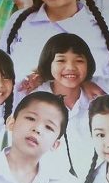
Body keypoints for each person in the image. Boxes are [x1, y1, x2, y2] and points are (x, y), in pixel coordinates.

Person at [0, 91, 93, 183]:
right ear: (11, 122)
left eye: (49, 127)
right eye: (31, 118)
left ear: (55, 144)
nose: (37, 129)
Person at [30, 33, 99, 173]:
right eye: (61, 60)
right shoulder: (34, 98)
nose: (70, 67)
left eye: (79, 60)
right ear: (49, 63)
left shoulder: (98, 96)